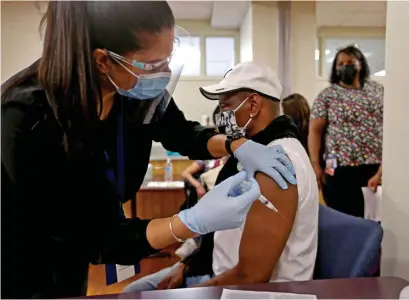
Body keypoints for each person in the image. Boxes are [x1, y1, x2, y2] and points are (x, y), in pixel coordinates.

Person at [1, 2, 298, 298]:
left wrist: (236, 145)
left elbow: (185, 134)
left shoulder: (134, 93)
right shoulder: (28, 117)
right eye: (154, 65)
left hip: (76, 261)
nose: (164, 73)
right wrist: (190, 222)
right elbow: (93, 238)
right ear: (103, 61)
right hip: (25, 263)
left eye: (168, 59)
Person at [123, 62, 319, 293]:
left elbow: (252, 276)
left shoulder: (278, 163)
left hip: (246, 290)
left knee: (133, 294)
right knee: (134, 291)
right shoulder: (253, 151)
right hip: (215, 267)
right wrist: (186, 265)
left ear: (254, 104)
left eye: (225, 106)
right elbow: (221, 237)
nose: (222, 116)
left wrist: (190, 293)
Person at [309, 45, 384, 217]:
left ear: (361, 64)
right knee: (342, 217)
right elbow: (315, 131)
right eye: (340, 63)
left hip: (372, 167)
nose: (345, 66)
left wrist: (382, 169)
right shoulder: (327, 95)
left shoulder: (377, 91)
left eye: (350, 62)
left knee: (372, 220)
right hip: (337, 167)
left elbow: (391, 127)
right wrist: (315, 164)